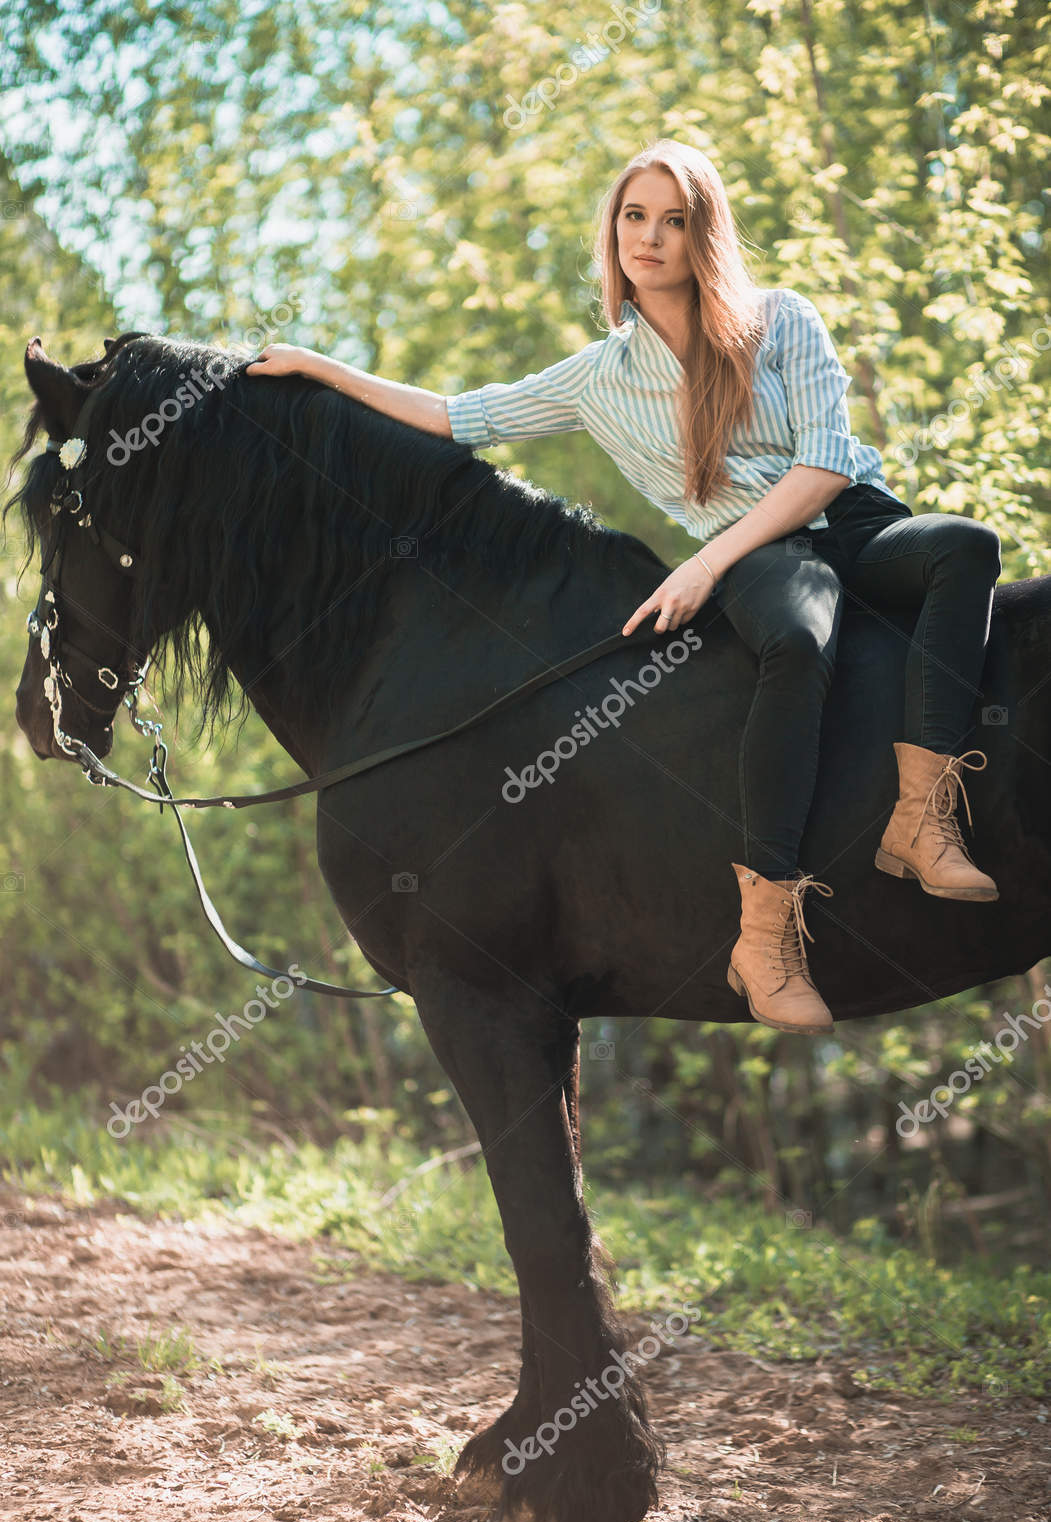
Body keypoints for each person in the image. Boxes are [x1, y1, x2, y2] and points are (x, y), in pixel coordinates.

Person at [246, 139, 1002, 1037]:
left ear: (701, 235)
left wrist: (702, 564)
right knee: (796, 644)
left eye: (672, 221)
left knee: (966, 545)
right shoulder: (602, 376)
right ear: (612, 234)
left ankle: (922, 820)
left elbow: (827, 467)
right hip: (767, 559)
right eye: (633, 217)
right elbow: (458, 416)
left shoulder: (780, 319)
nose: (649, 237)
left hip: (854, 523)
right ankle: (764, 938)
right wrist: (321, 369)